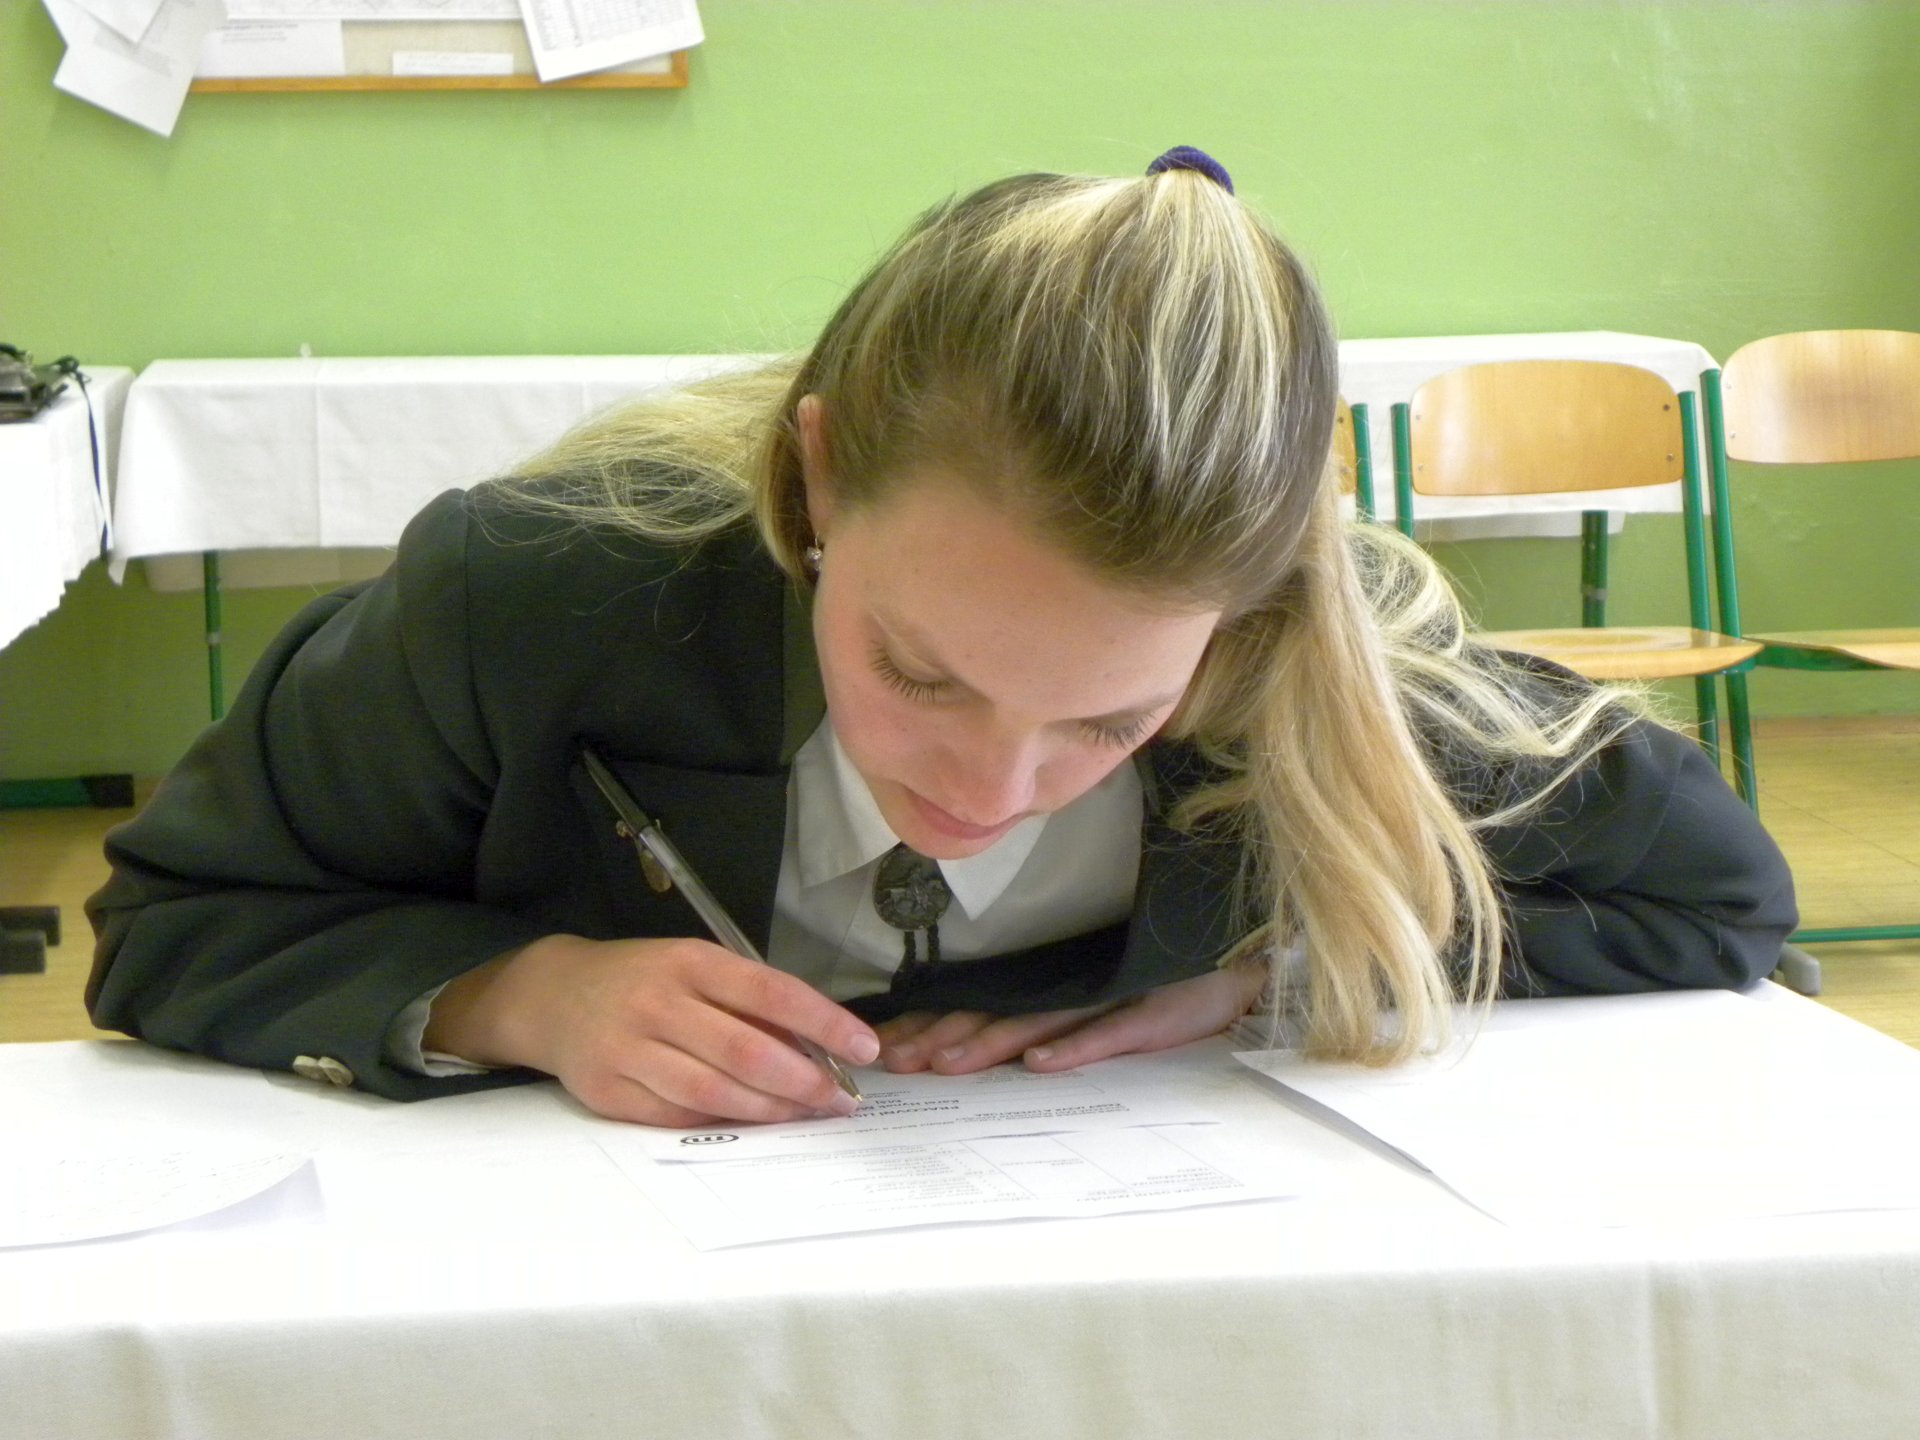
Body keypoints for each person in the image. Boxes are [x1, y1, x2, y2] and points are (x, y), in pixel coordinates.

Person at [86, 150, 1798, 1129]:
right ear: (818, 478)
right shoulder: (529, 596)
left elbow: (1716, 900)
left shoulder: (1307, 665)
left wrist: (1269, 971)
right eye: (920, 673)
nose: (984, 794)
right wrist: (522, 996)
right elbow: (177, 920)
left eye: (1111, 722)